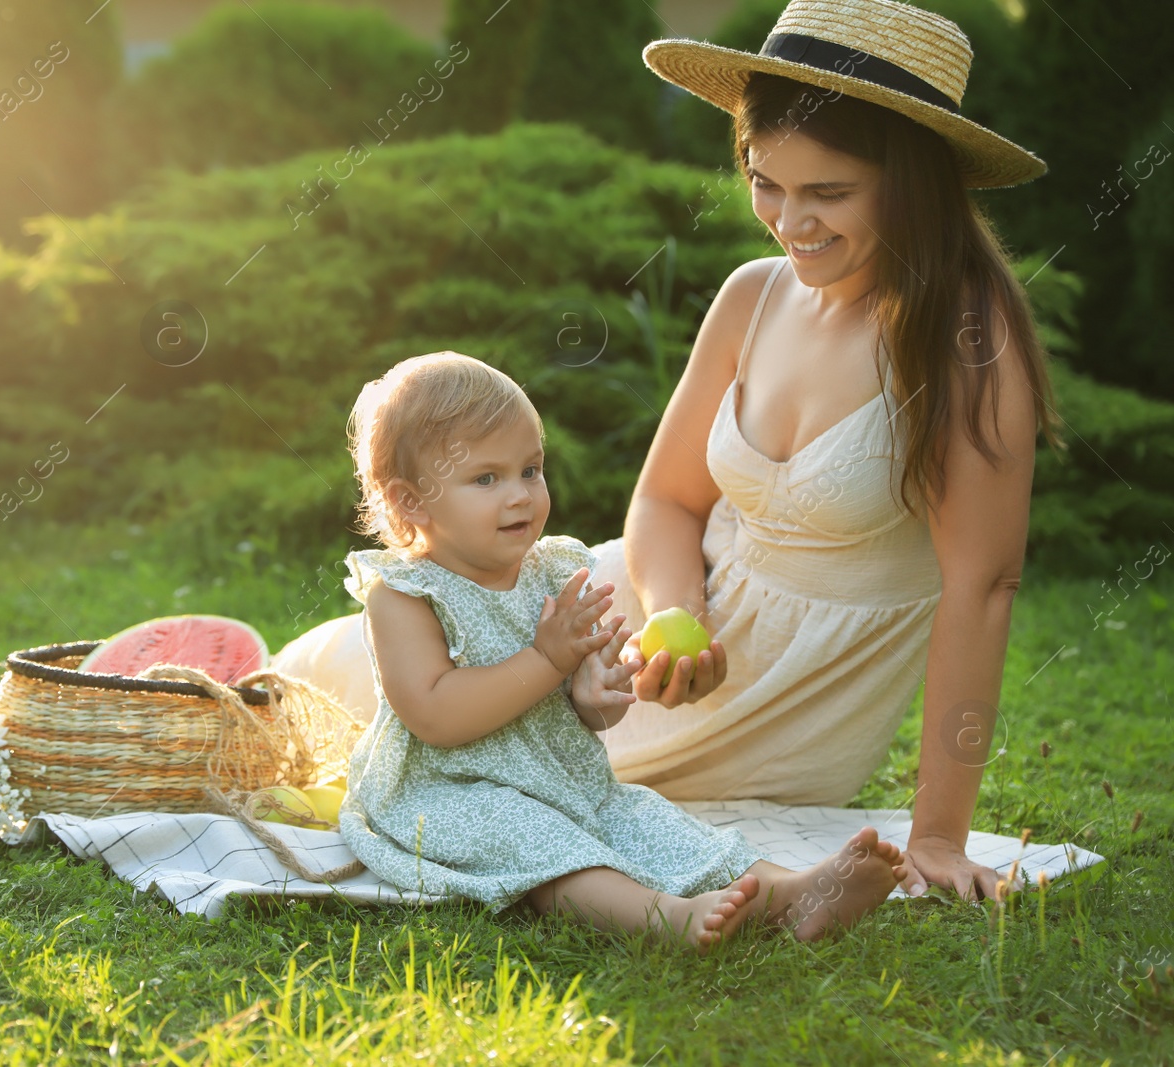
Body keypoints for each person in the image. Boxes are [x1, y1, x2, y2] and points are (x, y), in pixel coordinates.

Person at [276, 0, 1061, 906]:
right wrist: (674, 619)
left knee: (523, 777)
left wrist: (937, 834)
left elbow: (983, 586)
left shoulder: (967, 339)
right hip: (638, 638)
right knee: (335, 689)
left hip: (799, 707)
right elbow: (666, 503)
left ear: (913, 183)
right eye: (768, 182)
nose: (789, 221)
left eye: (829, 193)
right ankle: (187, 686)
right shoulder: (753, 297)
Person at [335, 352, 906, 951]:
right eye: (486, 478)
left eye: (531, 470)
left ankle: (789, 891)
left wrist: (599, 692)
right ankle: (663, 917)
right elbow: (437, 716)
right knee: (538, 839)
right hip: (449, 794)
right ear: (411, 503)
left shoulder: (552, 575)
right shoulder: (404, 596)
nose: (520, 496)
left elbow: (591, 711)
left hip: (566, 782)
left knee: (646, 818)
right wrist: (547, 659)